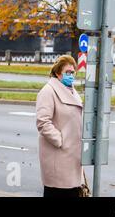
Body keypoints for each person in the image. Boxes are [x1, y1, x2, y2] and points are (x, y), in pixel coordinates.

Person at [36, 55, 84, 197]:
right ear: (58, 73)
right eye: (67, 72)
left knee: (72, 191)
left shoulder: (71, 90)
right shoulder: (48, 91)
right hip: (58, 157)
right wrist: (60, 140)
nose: (71, 75)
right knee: (58, 192)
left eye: (72, 72)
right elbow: (42, 121)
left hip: (72, 157)